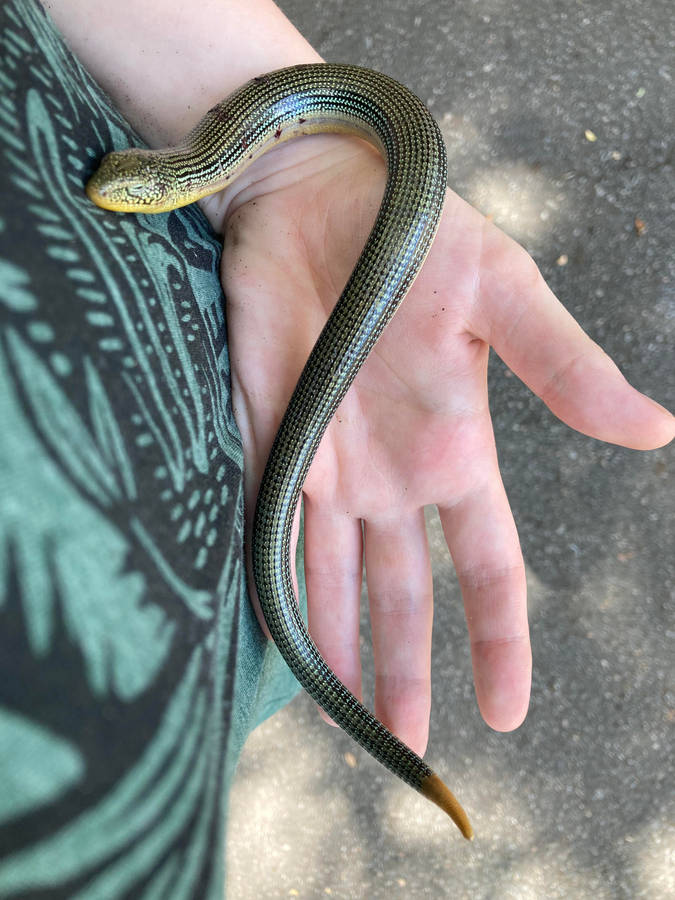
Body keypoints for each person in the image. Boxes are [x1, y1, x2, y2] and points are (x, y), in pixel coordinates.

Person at [1, 0, 673, 895]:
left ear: (159, 185)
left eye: (131, 189)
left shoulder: (204, 162)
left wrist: (279, 167)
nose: (114, 193)